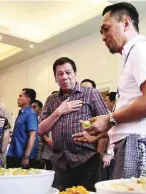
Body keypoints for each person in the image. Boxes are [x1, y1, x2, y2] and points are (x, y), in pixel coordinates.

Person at [73, 2, 146, 179]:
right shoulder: (133, 54)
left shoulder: (142, 49)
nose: (103, 36)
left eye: (106, 29)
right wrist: (103, 130)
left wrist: (109, 119)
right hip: (134, 144)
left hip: (140, 145)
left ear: (125, 23)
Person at [39, 57, 108, 191]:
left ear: (75, 74)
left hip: (87, 160)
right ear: (55, 78)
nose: (64, 77)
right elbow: (40, 130)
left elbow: (106, 125)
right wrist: (58, 112)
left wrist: (100, 154)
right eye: (60, 74)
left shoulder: (90, 94)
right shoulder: (51, 100)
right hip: (60, 162)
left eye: (68, 72)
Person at [7, 88, 38, 169]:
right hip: (13, 154)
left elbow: (33, 136)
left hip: (22, 157)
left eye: (20, 96)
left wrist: (26, 156)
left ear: (28, 99)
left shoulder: (30, 114)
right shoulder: (21, 113)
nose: (18, 98)